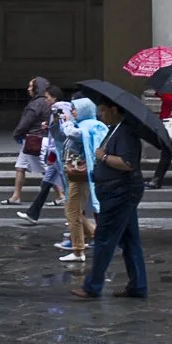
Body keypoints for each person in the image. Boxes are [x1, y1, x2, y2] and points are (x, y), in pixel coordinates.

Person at [70, 98, 147, 299]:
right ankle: (138, 285)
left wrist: (103, 157)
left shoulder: (125, 132)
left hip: (120, 191)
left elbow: (127, 162)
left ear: (114, 110)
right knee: (130, 240)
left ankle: (92, 286)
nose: (100, 115)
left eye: (103, 111)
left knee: (104, 239)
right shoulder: (116, 129)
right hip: (116, 190)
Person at [56, 97, 102, 261]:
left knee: (72, 211)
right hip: (78, 173)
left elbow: (73, 134)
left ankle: (78, 249)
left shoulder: (86, 126)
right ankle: (93, 234)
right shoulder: (89, 124)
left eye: (74, 109)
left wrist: (66, 122)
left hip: (80, 174)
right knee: (74, 209)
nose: (72, 112)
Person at [18, 85, 69, 224]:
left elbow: (64, 129)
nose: (46, 100)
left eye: (47, 97)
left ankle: (74, 217)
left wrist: (51, 126)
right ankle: (33, 213)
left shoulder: (57, 108)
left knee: (67, 185)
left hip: (59, 153)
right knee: (46, 183)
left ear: (54, 97)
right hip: (54, 152)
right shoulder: (62, 108)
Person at [1, 76, 52, 205]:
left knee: (45, 169)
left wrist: (17, 134)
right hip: (38, 139)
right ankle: (16, 196)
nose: (28, 89)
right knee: (20, 166)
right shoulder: (47, 101)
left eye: (31, 86)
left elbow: (26, 122)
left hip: (34, 140)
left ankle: (61, 194)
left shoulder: (36, 104)